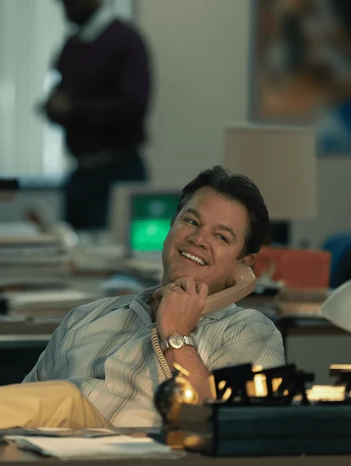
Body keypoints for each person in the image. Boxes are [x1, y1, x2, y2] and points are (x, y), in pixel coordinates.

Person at [23, 166, 285, 426]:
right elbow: (20, 407)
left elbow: (235, 429)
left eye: (221, 236)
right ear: (171, 229)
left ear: (243, 264)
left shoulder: (250, 333)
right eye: (191, 222)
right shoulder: (85, 317)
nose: (198, 239)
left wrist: (177, 336)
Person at [44, 0, 152, 230]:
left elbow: (133, 107)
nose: (65, 7)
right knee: (73, 248)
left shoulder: (125, 41)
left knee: (111, 248)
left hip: (117, 171)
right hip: (80, 173)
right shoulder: (73, 45)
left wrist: (74, 107)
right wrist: (53, 108)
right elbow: (63, 94)